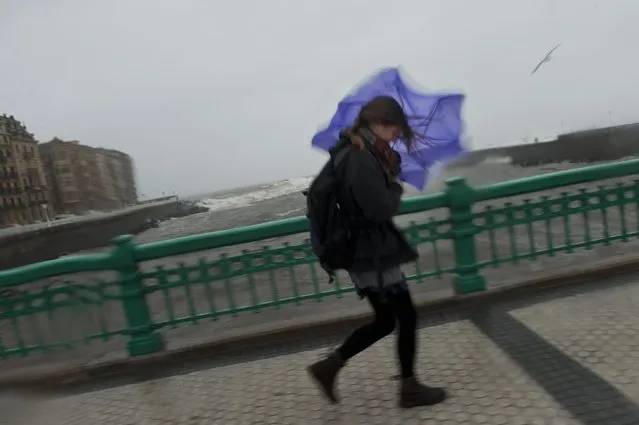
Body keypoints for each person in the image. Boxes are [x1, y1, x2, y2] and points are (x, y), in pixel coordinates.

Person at [307, 96, 447, 409]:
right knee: (406, 316)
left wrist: (387, 173)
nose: (397, 135)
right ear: (378, 124)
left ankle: (328, 367)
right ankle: (409, 390)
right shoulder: (360, 157)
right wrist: (394, 185)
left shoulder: (361, 151)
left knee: (386, 320)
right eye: (395, 129)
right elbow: (378, 210)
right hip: (370, 253)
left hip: (362, 251)